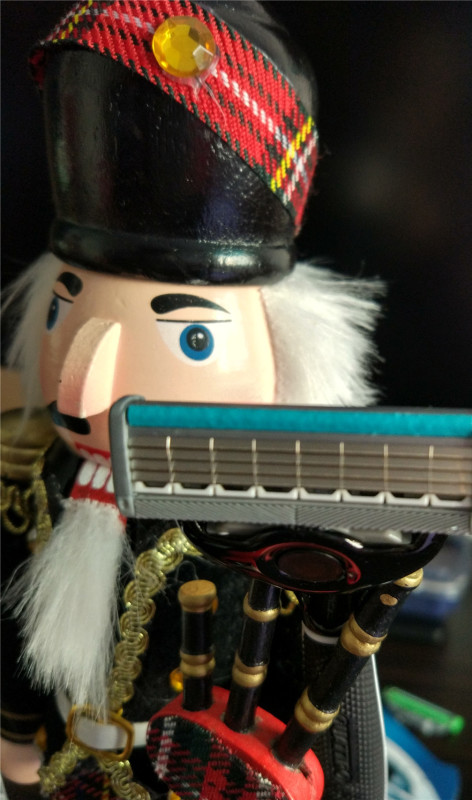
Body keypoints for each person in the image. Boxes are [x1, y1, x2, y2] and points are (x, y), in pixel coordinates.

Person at [1, 2, 382, 799]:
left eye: (194, 338)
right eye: (63, 308)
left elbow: (303, 692)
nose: (82, 389)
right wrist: (13, 732)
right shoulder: (30, 474)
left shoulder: (267, 523)